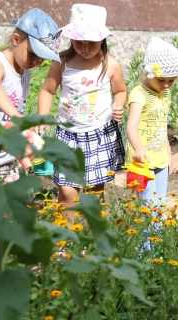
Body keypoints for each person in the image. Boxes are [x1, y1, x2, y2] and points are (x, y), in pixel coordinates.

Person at [38, 3, 126, 208]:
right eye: (79, 43)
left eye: (91, 43)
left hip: (99, 135)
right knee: (67, 192)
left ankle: (92, 236)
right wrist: (42, 117)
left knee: (94, 193)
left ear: (101, 40)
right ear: (71, 39)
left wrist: (118, 105)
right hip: (68, 135)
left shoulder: (110, 64)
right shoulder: (62, 62)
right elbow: (47, 90)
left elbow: (120, 91)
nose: (85, 49)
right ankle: (66, 237)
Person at [0, 8, 60, 182]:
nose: (37, 62)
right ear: (16, 40)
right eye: (34, 54)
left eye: (42, 58)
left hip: (5, 156)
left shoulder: (25, 73)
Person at [126, 37, 178, 205]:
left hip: (160, 156)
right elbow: (131, 127)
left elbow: (161, 124)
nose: (166, 85)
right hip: (142, 159)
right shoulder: (139, 94)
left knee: (160, 202)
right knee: (148, 205)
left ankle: (156, 232)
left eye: (171, 81)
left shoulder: (164, 94)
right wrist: (139, 149)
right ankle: (148, 232)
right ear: (148, 74)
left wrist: (168, 152)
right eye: (161, 80)